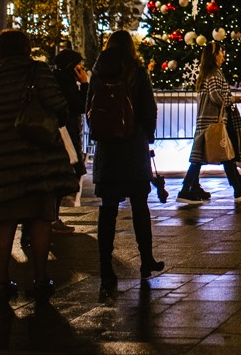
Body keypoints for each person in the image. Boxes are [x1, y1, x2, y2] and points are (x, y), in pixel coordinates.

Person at [0, 29, 78, 304]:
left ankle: (2, 282)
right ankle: (40, 280)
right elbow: (60, 108)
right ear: (27, 48)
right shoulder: (38, 72)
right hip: (36, 161)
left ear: (0, 51)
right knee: (40, 219)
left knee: (3, 223)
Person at [89, 29, 164, 300]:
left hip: (108, 148)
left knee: (107, 209)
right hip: (133, 145)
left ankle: (106, 268)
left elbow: (91, 107)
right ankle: (146, 259)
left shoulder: (98, 71)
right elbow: (149, 107)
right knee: (139, 205)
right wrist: (147, 134)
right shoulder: (136, 70)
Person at [177, 45, 241, 205]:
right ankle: (188, 189)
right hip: (214, 121)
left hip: (209, 121)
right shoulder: (215, 73)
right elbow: (216, 97)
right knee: (222, 154)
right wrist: (232, 99)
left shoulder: (207, 73)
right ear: (214, 55)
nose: (223, 56)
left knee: (213, 155)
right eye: (221, 53)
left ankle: (192, 188)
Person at [51, 49, 90, 233]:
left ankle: (50, 219)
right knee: (63, 175)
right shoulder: (66, 83)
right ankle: (52, 219)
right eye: (78, 64)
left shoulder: (56, 79)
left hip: (61, 133)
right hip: (65, 134)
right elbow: (81, 106)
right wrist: (84, 84)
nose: (81, 68)